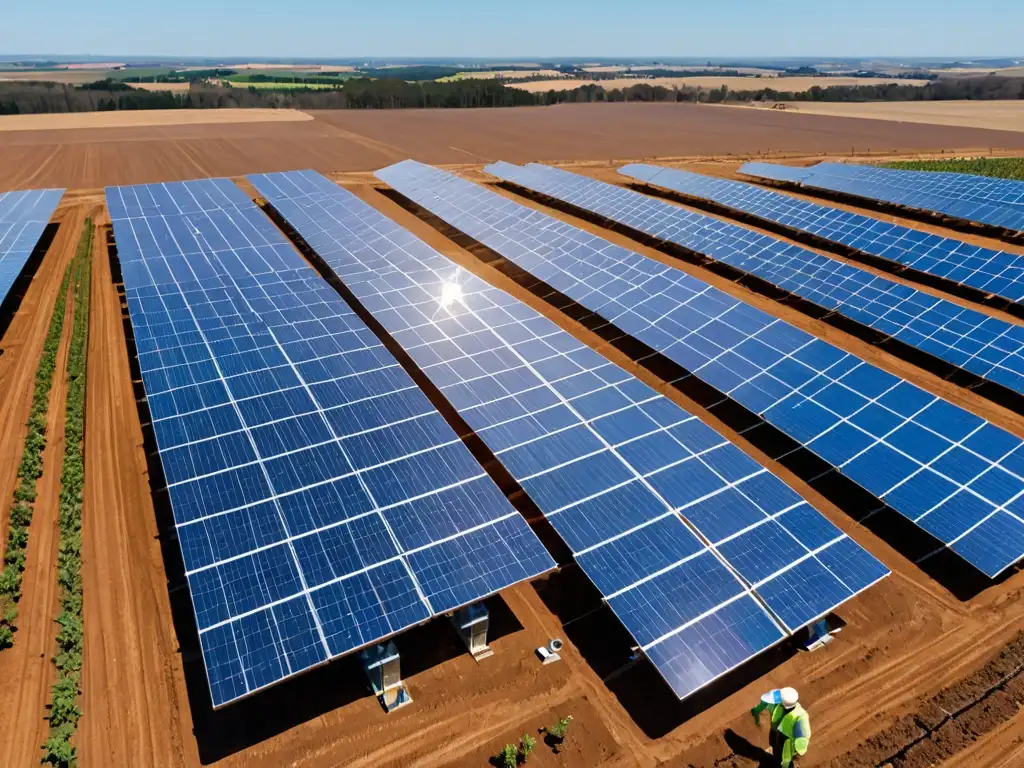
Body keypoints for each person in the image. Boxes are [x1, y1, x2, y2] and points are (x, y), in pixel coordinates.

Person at [750, 687, 811, 767]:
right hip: (779, 738)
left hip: (788, 744)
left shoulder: (801, 717)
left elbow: (803, 739)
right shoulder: (781, 706)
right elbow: (775, 717)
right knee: (777, 752)